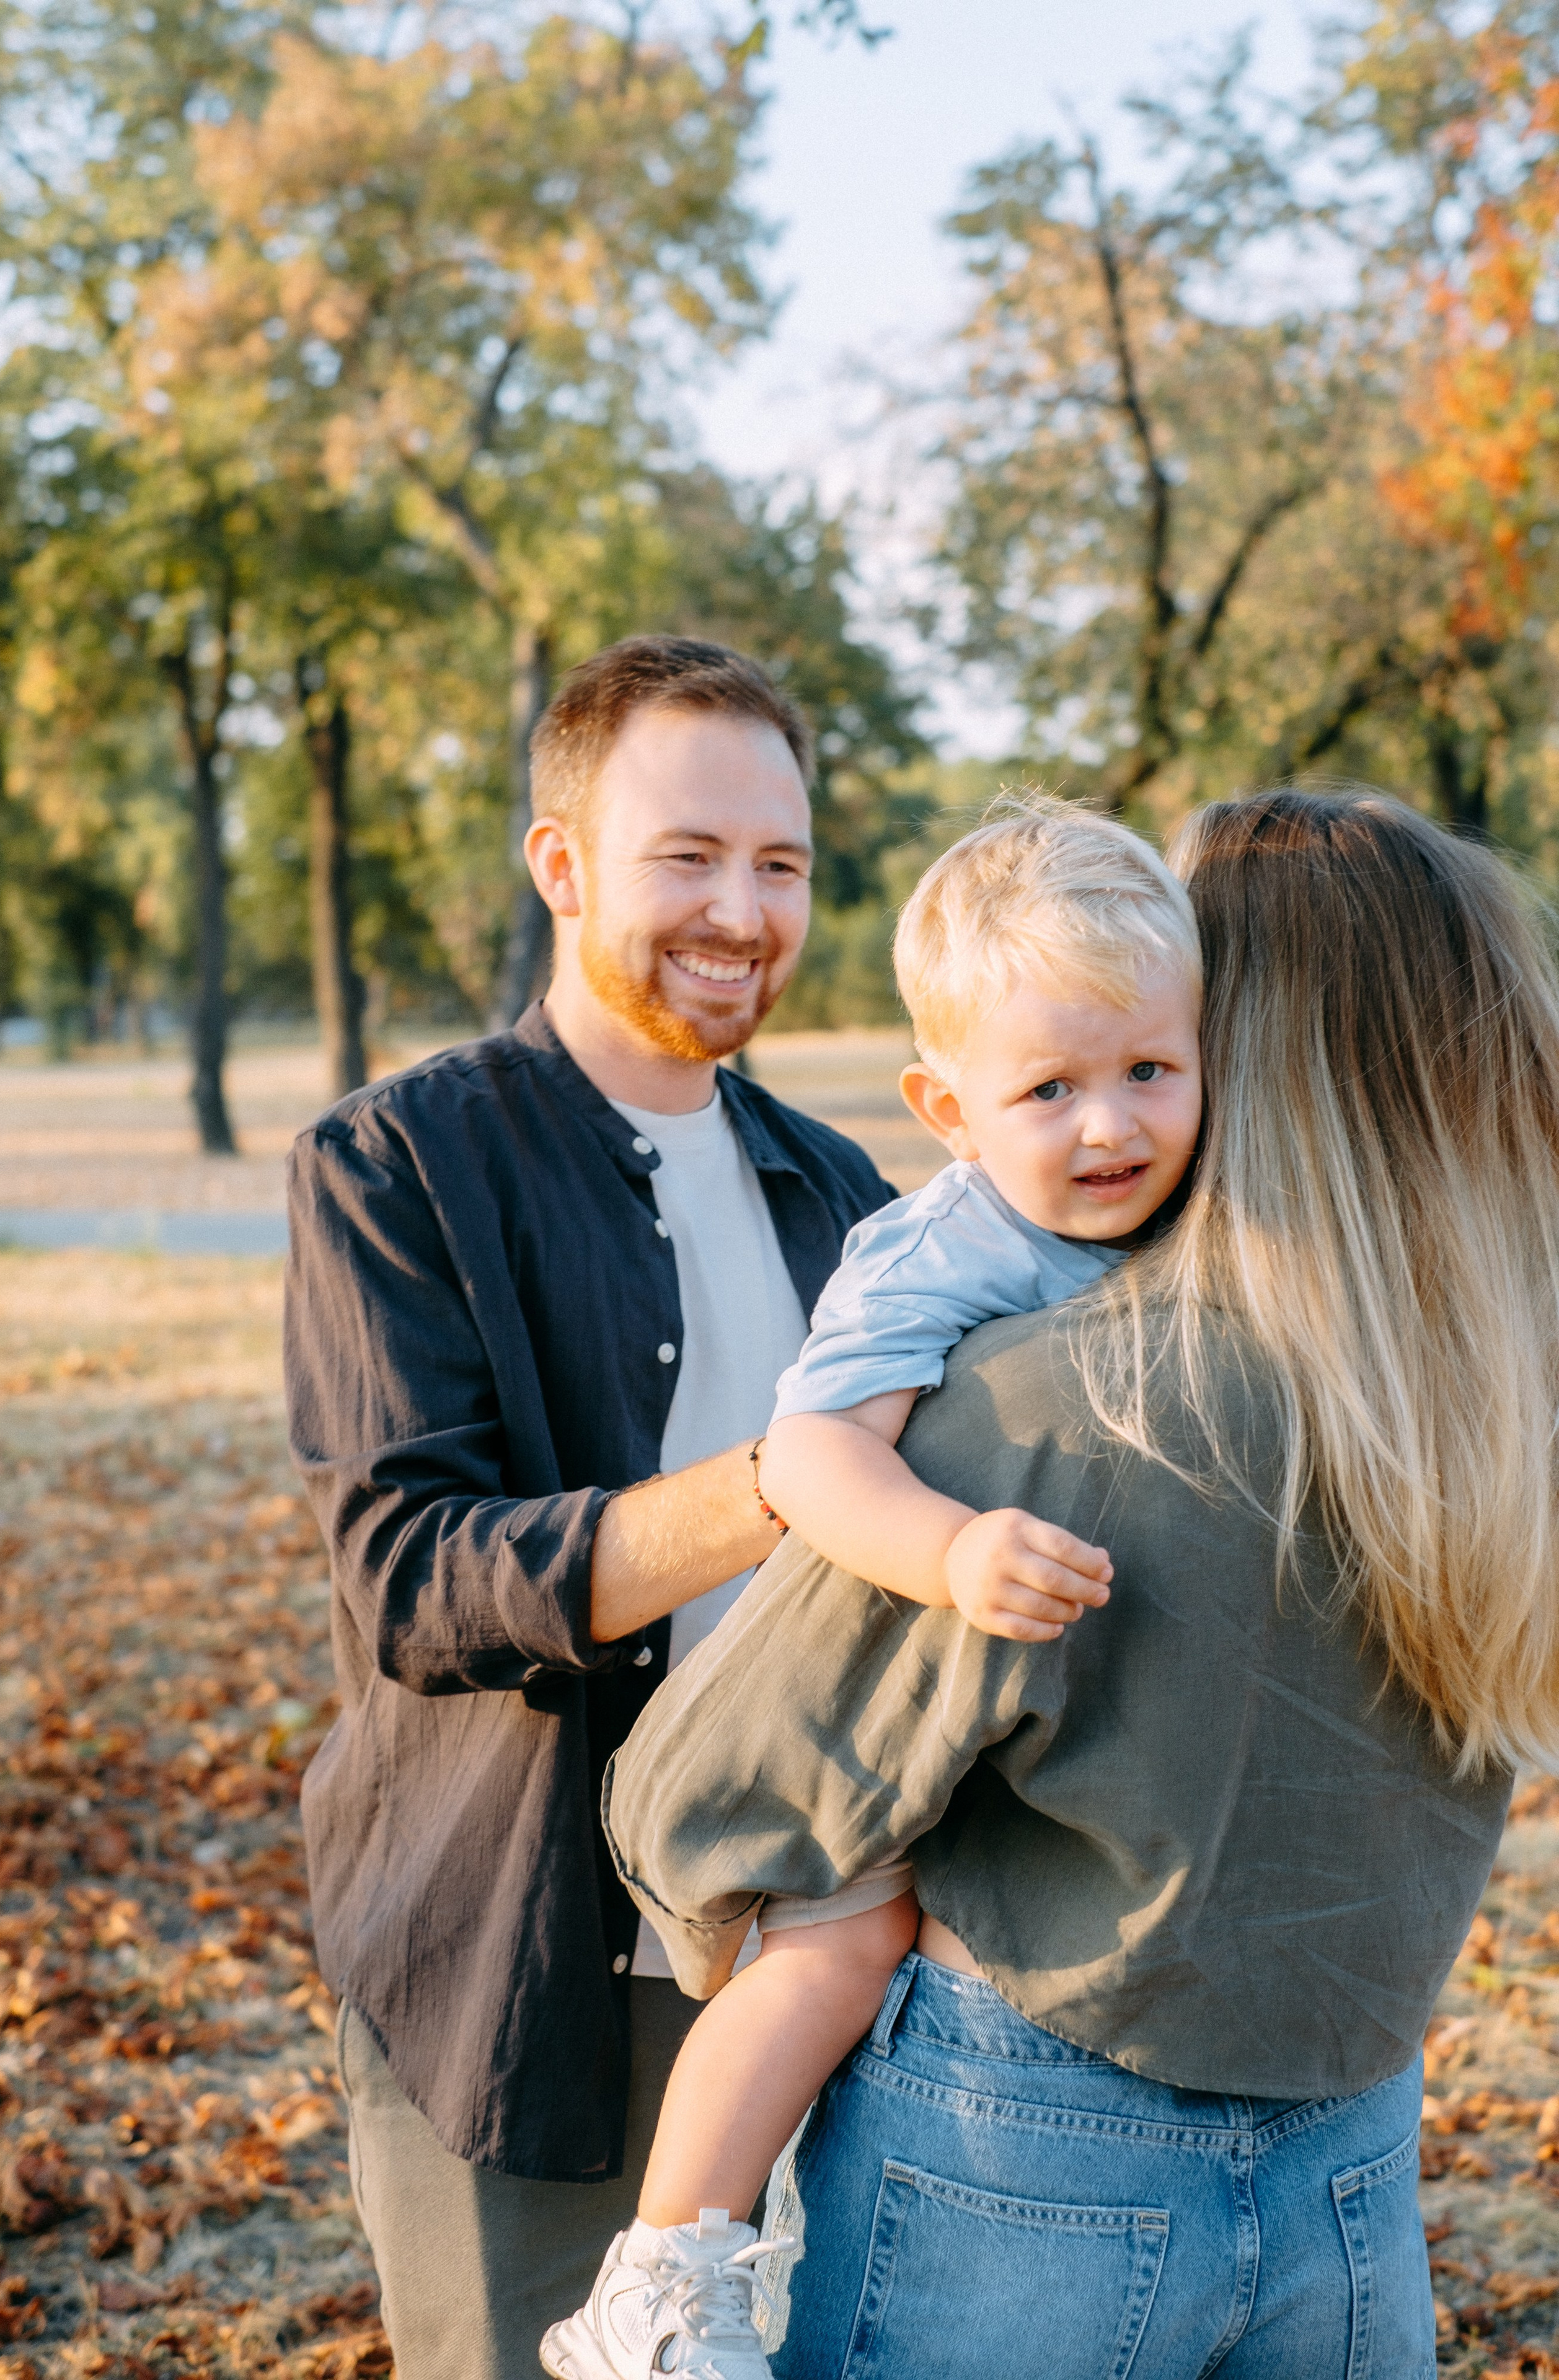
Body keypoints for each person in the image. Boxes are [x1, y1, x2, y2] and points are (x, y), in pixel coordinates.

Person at [606, 788, 1557, 2376]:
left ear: (1225, 1043)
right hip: (1354, 2154)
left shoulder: (1057, 1402)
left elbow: (725, 1796)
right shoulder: (1491, 1406)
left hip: (1024, 2156)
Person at [283, 635, 893, 2379]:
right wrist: (773, 1490)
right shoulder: (393, 1167)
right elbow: (412, 1582)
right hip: (510, 1975)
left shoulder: (840, 1190)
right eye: (686, 856)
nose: (742, 910)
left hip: (791, 1973)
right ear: (560, 866)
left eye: (778, 863)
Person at [542, 798, 1204, 2380]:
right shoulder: (940, 1249)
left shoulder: (1183, 1211)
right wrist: (952, 1547)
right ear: (948, 1107)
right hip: (859, 1693)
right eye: (1047, 1089)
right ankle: (664, 2265)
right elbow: (814, 1457)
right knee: (839, 1950)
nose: (1106, 1127)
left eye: (1147, 1073)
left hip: (1001, 1723)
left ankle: (769, 2243)